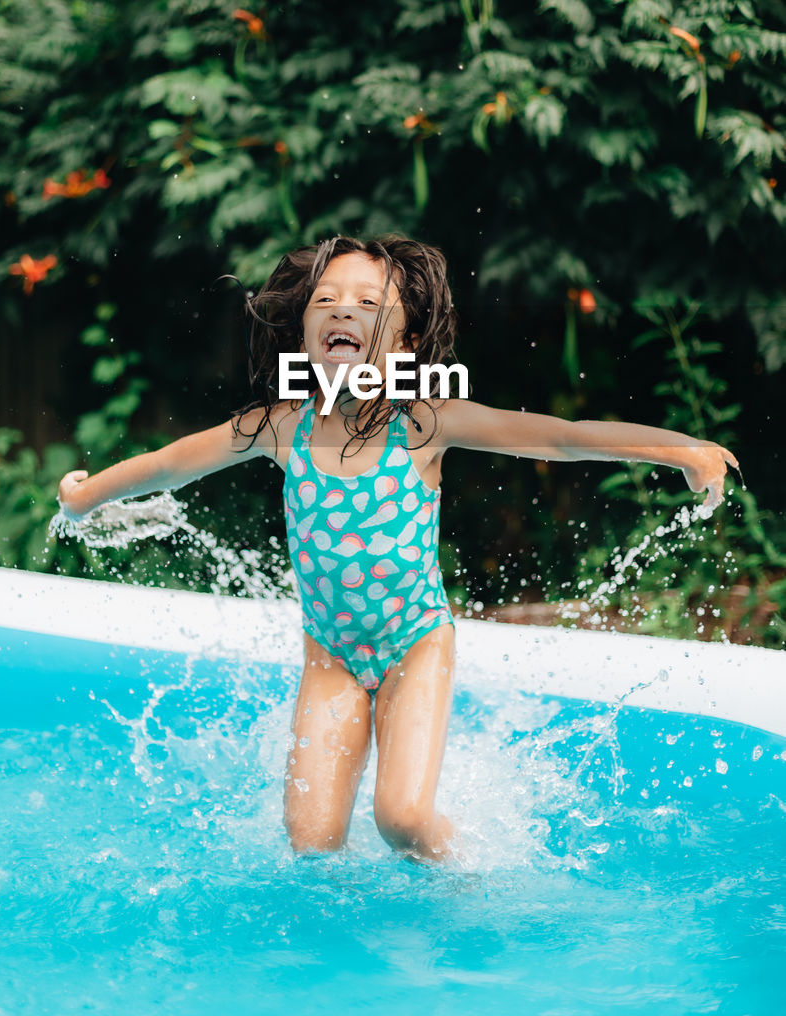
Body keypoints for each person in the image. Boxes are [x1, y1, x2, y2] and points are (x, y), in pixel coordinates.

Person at [57, 235, 738, 864]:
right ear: (301, 332)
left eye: (366, 302)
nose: (340, 311)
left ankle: (474, 882)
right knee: (312, 845)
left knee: (402, 820)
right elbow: (170, 463)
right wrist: (84, 498)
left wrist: (679, 450)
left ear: (406, 341)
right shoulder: (278, 427)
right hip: (330, 658)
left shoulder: (424, 423)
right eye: (324, 301)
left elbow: (560, 435)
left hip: (414, 643)